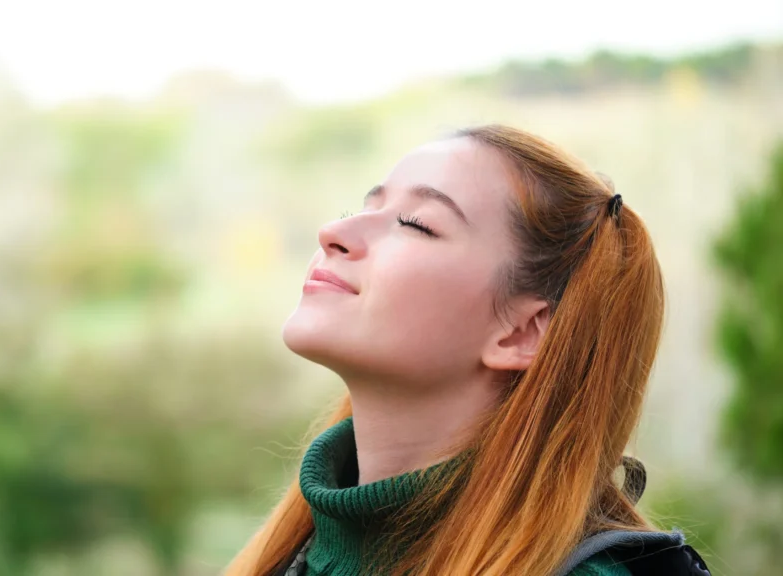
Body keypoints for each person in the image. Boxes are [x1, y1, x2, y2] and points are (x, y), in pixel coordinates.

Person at [224, 126, 711, 576]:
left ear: (520, 332)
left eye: (416, 224)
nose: (333, 232)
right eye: (361, 210)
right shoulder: (292, 555)